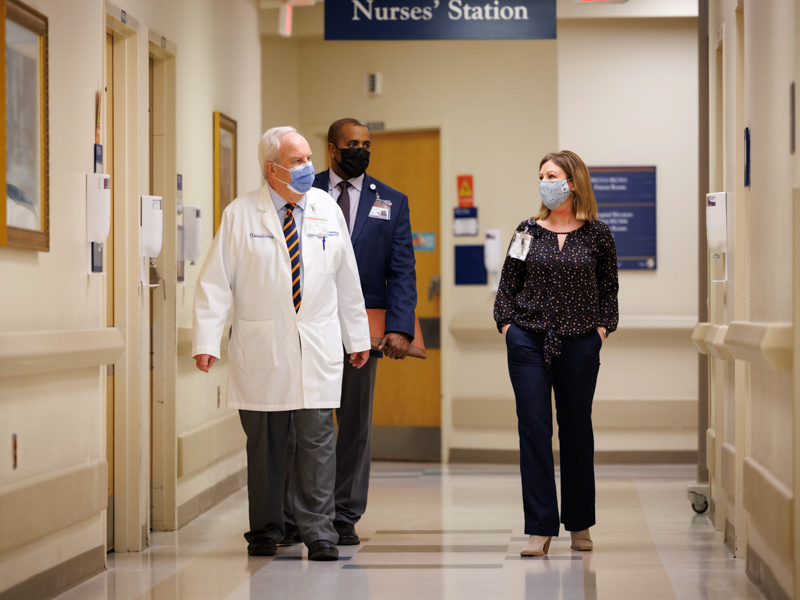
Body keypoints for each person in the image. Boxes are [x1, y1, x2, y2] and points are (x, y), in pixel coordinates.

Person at [192, 126, 371, 561]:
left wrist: (357, 337)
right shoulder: (239, 214)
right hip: (262, 345)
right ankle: (266, 529)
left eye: (309, 158)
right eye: (297, 161)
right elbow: (216, 283)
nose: (308, 167)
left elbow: (347, 280)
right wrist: (206, 339)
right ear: (272, 169)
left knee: (317, 439)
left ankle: (319, 531)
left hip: (317, 343)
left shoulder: (326, 209)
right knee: (266, 443)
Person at [282, 118, 417, 546]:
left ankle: (343, 515)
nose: (360, 150)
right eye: (352, 144)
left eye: (367, 144)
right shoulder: (301, 189)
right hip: (307, 326)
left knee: (355, 425)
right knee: (301, 422)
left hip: (363, 331)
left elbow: (402, 271)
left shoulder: (391, 202)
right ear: (332, 149)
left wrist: (399, 327)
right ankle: (293, 515)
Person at [493, 150, 619, 557]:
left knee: (577, 430)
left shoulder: (598, 234)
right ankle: (539, 528)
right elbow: (507, 288)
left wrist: (600, 331)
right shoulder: (527, 230)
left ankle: (580, 523)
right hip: (528, 339)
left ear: (573, 181)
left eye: (552, 175)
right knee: (533, 429)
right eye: (542, 175)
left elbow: (609, 293)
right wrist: (508, 327)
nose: (545, 181)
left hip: (580, 340)